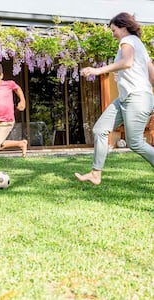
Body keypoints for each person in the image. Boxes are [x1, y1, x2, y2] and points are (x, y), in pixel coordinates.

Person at [75, 12, 154, 185]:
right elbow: (152, 75)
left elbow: (127, 62)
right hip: (126, 98)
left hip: (137, 98)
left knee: (135, 143)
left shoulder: (127, 41)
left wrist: (97, 70)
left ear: (123, 27)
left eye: (114, 30)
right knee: (100, 129)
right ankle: (96, 173)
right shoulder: (139, 45)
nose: (113, 34)